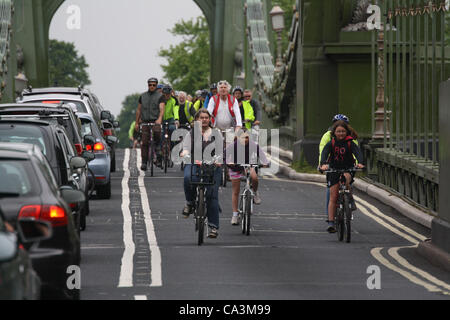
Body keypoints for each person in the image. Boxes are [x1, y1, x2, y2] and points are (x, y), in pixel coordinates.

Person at [180, 109, 223, 238]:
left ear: (209, 120)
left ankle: (213, 227)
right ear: (196, 120)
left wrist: (218, 160)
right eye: (201, 118)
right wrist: (185, 153)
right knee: (188, 178)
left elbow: (220, 150)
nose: (204, 120)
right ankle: (190, 202)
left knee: (211, 195)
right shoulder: (191, 133)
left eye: (206, 118)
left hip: (212, 165)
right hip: (194, 162)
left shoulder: (216, 133)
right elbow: (186, 148)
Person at [319, 120, 364, 233]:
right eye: (338, 131)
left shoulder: (350, 142)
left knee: (346, 179)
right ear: (334, 132)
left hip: (347, 168)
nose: (341, 134)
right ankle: (331, 223)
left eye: (343, 131)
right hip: (333, 169)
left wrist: (360, 162)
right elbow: (325, 152)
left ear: (347, 132)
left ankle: (350, 199)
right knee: (333, 196)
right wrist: (323, 164)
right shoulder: (332, 143)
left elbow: (357, 152)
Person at [225, 129, 269, 225]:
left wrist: (265, 162)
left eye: (247, 137)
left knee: (254, 177)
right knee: (235, 191)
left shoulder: (253, 145)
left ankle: (255, 192)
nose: (245, 140)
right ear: (237, 137)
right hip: (235, 167)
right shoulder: (233, 145)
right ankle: (235, 215)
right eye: (242, 137)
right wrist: (229, 162)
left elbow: (261, 153)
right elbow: (225, 155)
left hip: (248, 165)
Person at [135, 77, 166, 171]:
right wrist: (137, 122)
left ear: (156, 86)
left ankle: (157, 149)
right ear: (148, 85)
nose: (151, 86)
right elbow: (139, 110)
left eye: (153, 85)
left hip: (155, 121)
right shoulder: (143, 96)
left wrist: (159, 119)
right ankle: (144, 162)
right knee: (144, 142)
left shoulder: (160, 96)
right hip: (145, 122)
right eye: (150, 85)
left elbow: (162, 109)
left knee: (157, 135)